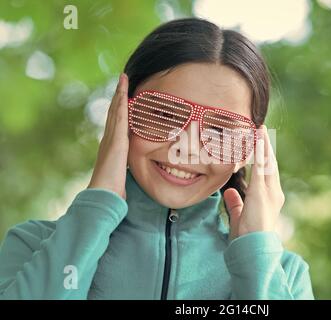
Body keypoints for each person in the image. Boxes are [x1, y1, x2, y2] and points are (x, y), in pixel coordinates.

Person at [0, 17, 314, 299]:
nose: (188, 147)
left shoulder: (283, 275)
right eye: (164, 114)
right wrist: (98, 203)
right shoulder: (33, 246)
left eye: (220, 131)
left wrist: (255, 257)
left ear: (250, 149)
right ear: (119, 113)